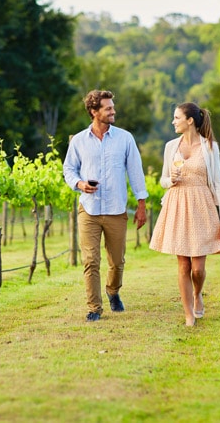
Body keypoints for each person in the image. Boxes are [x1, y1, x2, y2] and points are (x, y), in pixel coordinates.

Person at [63, 90, 149, 322]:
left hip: (116, 209)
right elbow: (68, 169)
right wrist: (80, 183)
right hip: (89, 209)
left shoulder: (125, 138)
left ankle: (113, 291)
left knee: (117, 262)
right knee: (90, 260)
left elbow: (135, 172)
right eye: (108, 108)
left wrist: (141, 205)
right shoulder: (79, 141)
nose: (113, 111)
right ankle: (94, 308)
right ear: (94, 111)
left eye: (112, 107)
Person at [149, 102, 220, 327]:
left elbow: (218, 183)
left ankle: (197, 293)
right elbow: (163, 180)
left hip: (201, 206)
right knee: (183, 265)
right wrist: (170, 180)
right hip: (177, 204)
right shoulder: (170, 147)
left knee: (198, 268)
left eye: (176, 118)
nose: (173, 122)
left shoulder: (210, 147)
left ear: (190, 120)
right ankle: (188, 314)